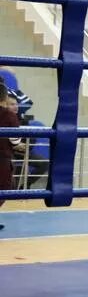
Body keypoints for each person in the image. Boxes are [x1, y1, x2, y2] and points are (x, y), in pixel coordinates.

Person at [0, 90, 23, 225]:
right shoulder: (9, 115)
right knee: (4, 188)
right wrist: (21, 145)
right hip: (2, 158)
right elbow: (15, 140)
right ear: (4, 99)